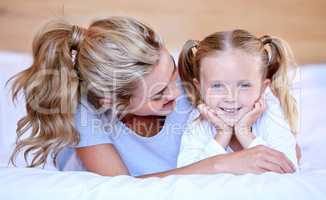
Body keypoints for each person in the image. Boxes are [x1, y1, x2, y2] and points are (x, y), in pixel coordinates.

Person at [9, 17, 296, 178]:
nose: (178, 91)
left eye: (172, 72)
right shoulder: (87, 112)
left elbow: (264, 155)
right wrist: (220, 165)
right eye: (158, 94)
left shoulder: (196, 87)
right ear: (111, 100)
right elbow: (122, 190)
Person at [176, 30, 299, 173]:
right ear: (200, 88)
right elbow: (187, 176)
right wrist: (222, 134)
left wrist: (244, 132)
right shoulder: (198, 121)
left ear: (262, 88)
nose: (230, 98)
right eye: (217, 85)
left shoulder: (270, 114)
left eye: (244, 85)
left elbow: (288, 171)